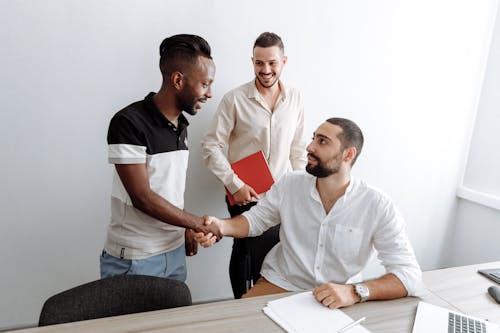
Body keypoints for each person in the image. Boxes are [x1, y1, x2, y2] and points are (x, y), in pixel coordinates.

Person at [196, 117, 423, 309]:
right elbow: (255, 221)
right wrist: (221, 226)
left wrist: (355, 292)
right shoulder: (290, 183)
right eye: (314, 137)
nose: (310, 147)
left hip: (337, 295)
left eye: (322, 141)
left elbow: (409, 276)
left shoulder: (378, 205)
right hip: (281, 283)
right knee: (238, 325)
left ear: (348, 154)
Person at [100, 34, 221, 283]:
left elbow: (166, 190)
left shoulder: (182, 125)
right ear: (178, 80)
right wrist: (197, 223)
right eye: (205, 84)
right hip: (136, 259)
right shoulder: (128, 123)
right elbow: (142, 197)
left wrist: (185, 226)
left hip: (174, 252)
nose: (210, 93)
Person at [201, 32, 307, 298]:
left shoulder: (295, 98)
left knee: (277, 248)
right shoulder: (234, 99)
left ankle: (271, 300)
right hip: (244, 192)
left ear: (283, 61)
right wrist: (234, 184)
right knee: (245, 248)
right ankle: (242, 305)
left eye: (272, 63)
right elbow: (210, 146)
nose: (266, 70)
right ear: (252, 61)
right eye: (259, 63)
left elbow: (298, 149)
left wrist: (305, 188)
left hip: (283, 191)